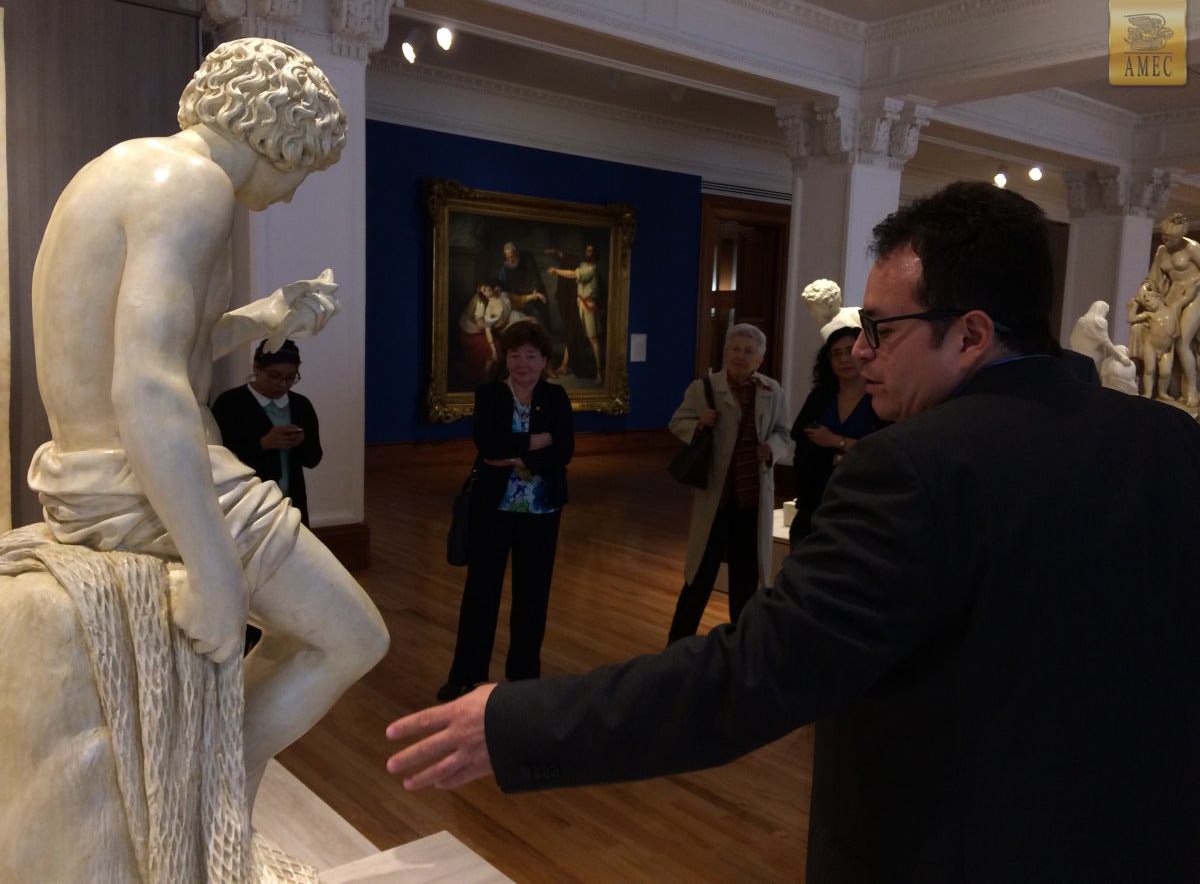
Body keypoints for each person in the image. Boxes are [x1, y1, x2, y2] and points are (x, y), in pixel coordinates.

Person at [385, 181, 1200, 882]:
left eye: (881, 329)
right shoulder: (1171, 443)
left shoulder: (912, 465)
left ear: (972, 334)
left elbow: (755, 671)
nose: (861, 352)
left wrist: (517, 722)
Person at [28, 37, 388, 808]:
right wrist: (213, 565)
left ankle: (209, 804)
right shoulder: (195, 186)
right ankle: (204, 801)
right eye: (302, 169)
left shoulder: (127, 169)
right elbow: (150, 380)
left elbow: (154, 342)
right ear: (279, 134)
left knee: (327, 632)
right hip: (136, 478)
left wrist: (266, 315)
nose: (291, 194)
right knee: (354, 635)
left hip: (86, 466)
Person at [437, 320, 574, 703]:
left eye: (531, 356)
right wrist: (536, 441)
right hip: (493, 508)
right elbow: (488, 444)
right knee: (480, 593)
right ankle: (465, 676)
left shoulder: (556, 397)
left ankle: (524, 677)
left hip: (541, 510)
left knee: (533, 595)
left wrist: (514, 455)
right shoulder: (490, 394)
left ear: (544, 360)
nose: (522, 363)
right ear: (506, 358)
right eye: (515, 355)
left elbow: (563, 450)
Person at [665, 323, 790, 644]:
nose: (740, 356)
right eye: (735, 349)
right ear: (724, 353)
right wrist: (699, 424)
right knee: (699, 576)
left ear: (760, 359)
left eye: (749, 351)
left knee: (745, 580)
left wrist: (772, 449)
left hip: (751, 500)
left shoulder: (772, 391)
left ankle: (742, 645)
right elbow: (677, 422)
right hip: (715, 499)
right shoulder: (703, 388)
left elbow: (783, 433)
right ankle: (677, 646)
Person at [211, 339, 323, 527]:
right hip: (246, 503)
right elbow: (218, 458)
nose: (282, 384)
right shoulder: (230, 403)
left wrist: (302, 441)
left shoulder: (301, 405)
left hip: (291, 501)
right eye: (274, 376)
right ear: (256, 368)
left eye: (290, 378)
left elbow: (313, 459)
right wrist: (263, 443)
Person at [788, 320, 880, 547]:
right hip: (813, 504)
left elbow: (882, 452)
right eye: (836, 354)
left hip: (862, 508)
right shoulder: (820, 397)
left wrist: (835, 441)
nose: (843, 359)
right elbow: (802, 441)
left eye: (850, 351)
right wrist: (848, 451)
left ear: (865, 353)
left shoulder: (880, 398)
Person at [1147, 213, 1200, 404]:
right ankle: (1169, 390)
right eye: (1164, 237)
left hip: (1195, 295)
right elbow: (1153, 277)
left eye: (1171, 238)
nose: (1166, 241)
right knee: (1167, 340)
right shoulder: (1162, 250)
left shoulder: (1192, 248)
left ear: (1180, 236)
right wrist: (1145, 289)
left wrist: (1193, 288)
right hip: (1172, 296)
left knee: (1182, 342)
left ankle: (1192, 390)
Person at [547, 243, 604, 383]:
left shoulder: (591, 269)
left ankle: (599, 372)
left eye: (590, 251)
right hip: (579, 304)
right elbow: (572, 260)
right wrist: (558, 252)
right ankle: (564, 365)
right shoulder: (584, 265)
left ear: (595, 254)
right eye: (587, 250)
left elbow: (573, 273)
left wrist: (557, 271)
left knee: (592, 338)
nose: (587, 253)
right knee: (572, 333)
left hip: (588, 306)